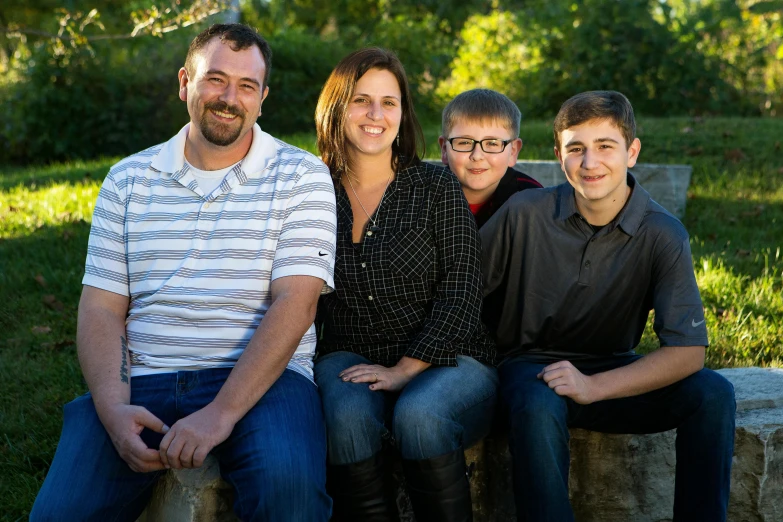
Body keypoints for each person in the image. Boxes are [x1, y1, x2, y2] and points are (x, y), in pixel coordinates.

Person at [30, 24, 335, 522]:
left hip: (266, 381)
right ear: (184, 83)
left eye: (246, 86)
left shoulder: (301, 175)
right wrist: (113, 410)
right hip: (146, 376)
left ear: (262, 98)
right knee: (60, 514)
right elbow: (101, 307)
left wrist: (219, 416)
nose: (229, 98)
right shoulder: (127, 179)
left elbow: (296, 303)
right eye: (215, 79)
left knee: (290, 497)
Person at [480, 90, 736, 522]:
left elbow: (689, 351)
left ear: (631, 152)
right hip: (529, 367)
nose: (590, 162)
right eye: (576, 148)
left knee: (714, 394)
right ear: (559, 156)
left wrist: (594, 387)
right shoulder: (523, 213)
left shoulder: (663, 234)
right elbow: (458, 290)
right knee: (538, 405)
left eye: (605, 147)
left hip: (612, 372)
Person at [313, 47, 497, 522]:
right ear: (337, 107)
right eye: (361, 100)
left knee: (420, 415)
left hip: (450, 358)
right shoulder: (311, 191)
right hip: (348, 355)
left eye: (389, 102)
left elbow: (463, 289)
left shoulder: (436, 187)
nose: (376, 115)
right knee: (346, 417)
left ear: (403, 113)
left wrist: (405, 369)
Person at [439, 88, 542, 230]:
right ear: (444, 149)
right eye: (464, 142)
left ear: (513, 151)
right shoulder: (423, 199)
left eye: (492, 143)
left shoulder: (533, 199)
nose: (477, 156)